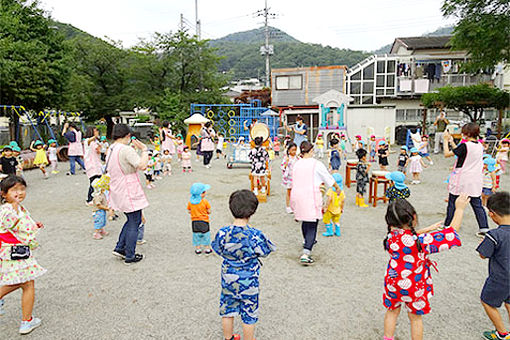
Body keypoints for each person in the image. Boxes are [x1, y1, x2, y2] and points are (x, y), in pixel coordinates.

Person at [383, 196, 469, 340]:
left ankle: (388, 338)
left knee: (391, 311)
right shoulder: (421, 242)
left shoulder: (391, 236)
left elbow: (408, 236)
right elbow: (451, 233)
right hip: (414, 285)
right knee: (415, 318)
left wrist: (428, 229)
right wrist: (459, 209)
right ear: (413, 217)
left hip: (393, 281)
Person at [211, 189, 276, 340]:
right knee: (249, 313)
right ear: (252, 211)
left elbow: (217, 249)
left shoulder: (223, 233)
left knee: (227, 310)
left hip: (228, 278)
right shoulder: (255, 235)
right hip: (249, 281)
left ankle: (228, 338)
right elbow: (265, 251)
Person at [0, 175, 46, 335]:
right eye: (14, 190)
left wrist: (34, 224)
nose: (19, 193)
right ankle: (26, 321)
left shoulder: (17, 208)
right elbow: (25, 227)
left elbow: (24, 225)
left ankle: (27, 320)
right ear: (4, 193)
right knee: (26, 283)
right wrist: (33, 227)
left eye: (22, 189)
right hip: (13, 252)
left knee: (23, 282)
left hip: (15, 250)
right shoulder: (6, 210)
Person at [290, 141, 340, 265]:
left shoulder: (296, 164)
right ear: (311, 151)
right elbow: (328, 177)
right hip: (311, 196)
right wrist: (337, 188)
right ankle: (306, 253)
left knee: (304, 220)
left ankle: (306, 241)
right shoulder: (316, 164)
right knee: (312, 224)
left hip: (297, 195)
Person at [108, 124, 149, 265]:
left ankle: (120, 247)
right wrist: (144, 150)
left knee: (131, 219)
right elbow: (142, 165)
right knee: (134, 221)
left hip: (118, 186)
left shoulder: (111, 148)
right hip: (128, 187)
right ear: (127, 135)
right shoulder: (125, 149)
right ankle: (130, 254)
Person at [443, 123, 489, 237]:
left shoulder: (465, 146)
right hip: (475, 179)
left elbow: (447, 154)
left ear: (467, 133)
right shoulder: (479, 145)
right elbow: (460, 152)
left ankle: (448, 225)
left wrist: (445, 140)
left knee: (453, 202)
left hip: (462, 178)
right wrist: (452, 142)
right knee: (477, 204)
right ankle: (484, 228)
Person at [476, 192, 510, 340]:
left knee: (487, 301)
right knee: (509, 301)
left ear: (492, 214)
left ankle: (502, 333)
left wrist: (483, 246)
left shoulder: (494, 235)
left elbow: (483, 254)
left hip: (500, 278)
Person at [187, 183, 213, 255]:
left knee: (196, 235)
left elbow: (189, 211)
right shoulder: (205, 201)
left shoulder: (190, 202)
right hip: (204, 221)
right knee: (206, 234)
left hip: (194, 221)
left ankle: (198, 249)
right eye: (204, 192)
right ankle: (207, 248)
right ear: (201, 194)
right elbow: (209, 211)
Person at [84, 127, 103, 205]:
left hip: (97, 164)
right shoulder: (87, 141)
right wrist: (95, 137)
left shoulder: (95, 142)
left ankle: (96, 197)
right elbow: (88, 141)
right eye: (95, 131)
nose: (97, 132)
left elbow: (98, 151)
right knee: (93, 182)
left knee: (98, 181)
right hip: (91, 165)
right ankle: (89, 199)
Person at [281, 142, 297, 214]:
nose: (294, 152)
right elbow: (282, 167)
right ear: (289, 150)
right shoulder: (286, 158)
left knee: (295, 192)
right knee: (289, 192)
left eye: (295, 150)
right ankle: (288, 206)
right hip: (289, 177)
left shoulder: (297, 158)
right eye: (292, 150)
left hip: (296, 177)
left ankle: (294, 205)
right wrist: (286, 163)